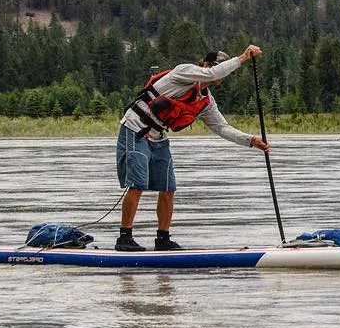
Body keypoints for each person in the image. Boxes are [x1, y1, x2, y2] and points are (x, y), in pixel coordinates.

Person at [114, 44, 271, 251]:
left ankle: (163, 239)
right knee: (137, 184)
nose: (217, 74)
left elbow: (221, 127)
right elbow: (213, 72)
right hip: (136, 128)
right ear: (205, 65)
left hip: (159, 136)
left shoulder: (206, 101)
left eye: (219, 69)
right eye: (214, 67)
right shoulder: (184, 72)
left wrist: (251, 140)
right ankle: (124, 238)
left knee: (168, 187)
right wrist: (243, 57)